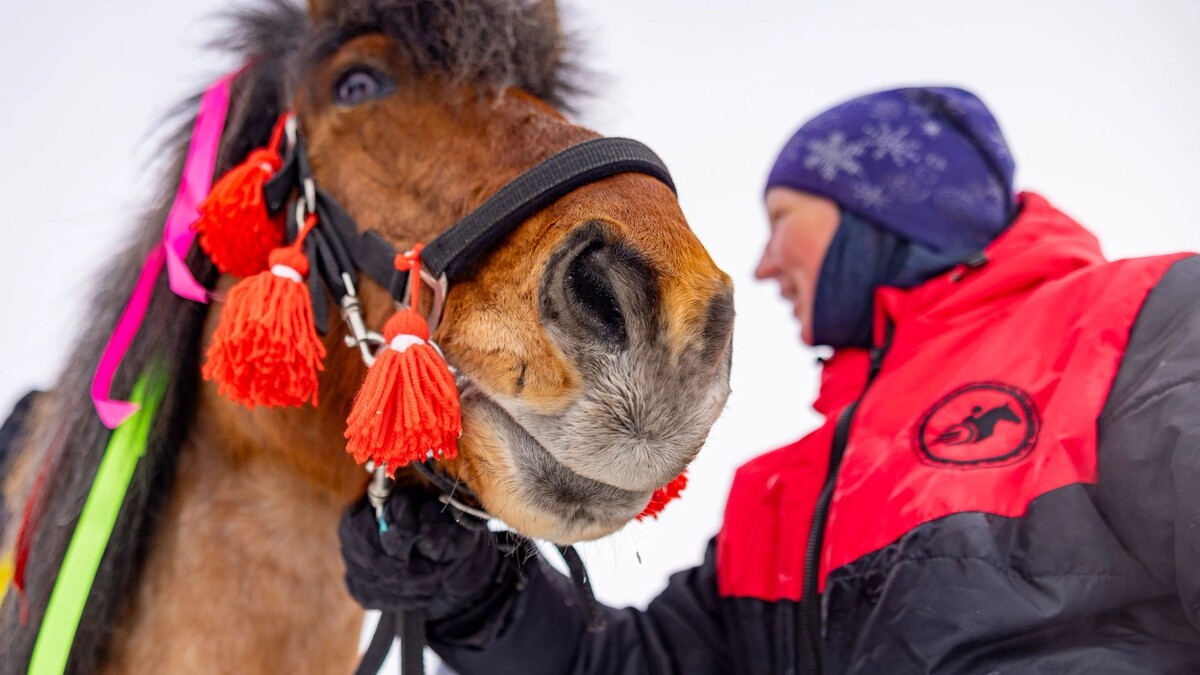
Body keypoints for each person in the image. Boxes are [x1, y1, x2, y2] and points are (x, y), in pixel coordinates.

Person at [339, 86, 1200, 674]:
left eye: (784, 219)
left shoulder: (1147, 319)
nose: (762, 261)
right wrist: (476, 589)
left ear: (886, 206)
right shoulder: (789, 488)